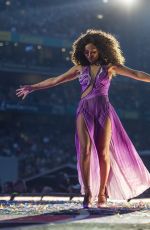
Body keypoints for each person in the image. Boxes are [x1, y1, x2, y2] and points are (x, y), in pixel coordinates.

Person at [16, 29, 150, 208]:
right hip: (84, 110)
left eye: (93, 51)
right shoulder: (80, 68)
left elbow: (138, 74)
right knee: (85, 150)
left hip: (104, 110)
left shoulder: (110, 67)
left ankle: (102, 192)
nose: (89, 54)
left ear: (101, 50)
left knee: (103, 153)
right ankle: (87, 191)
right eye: (86, 52)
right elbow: (56, 80)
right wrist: (32, 87)